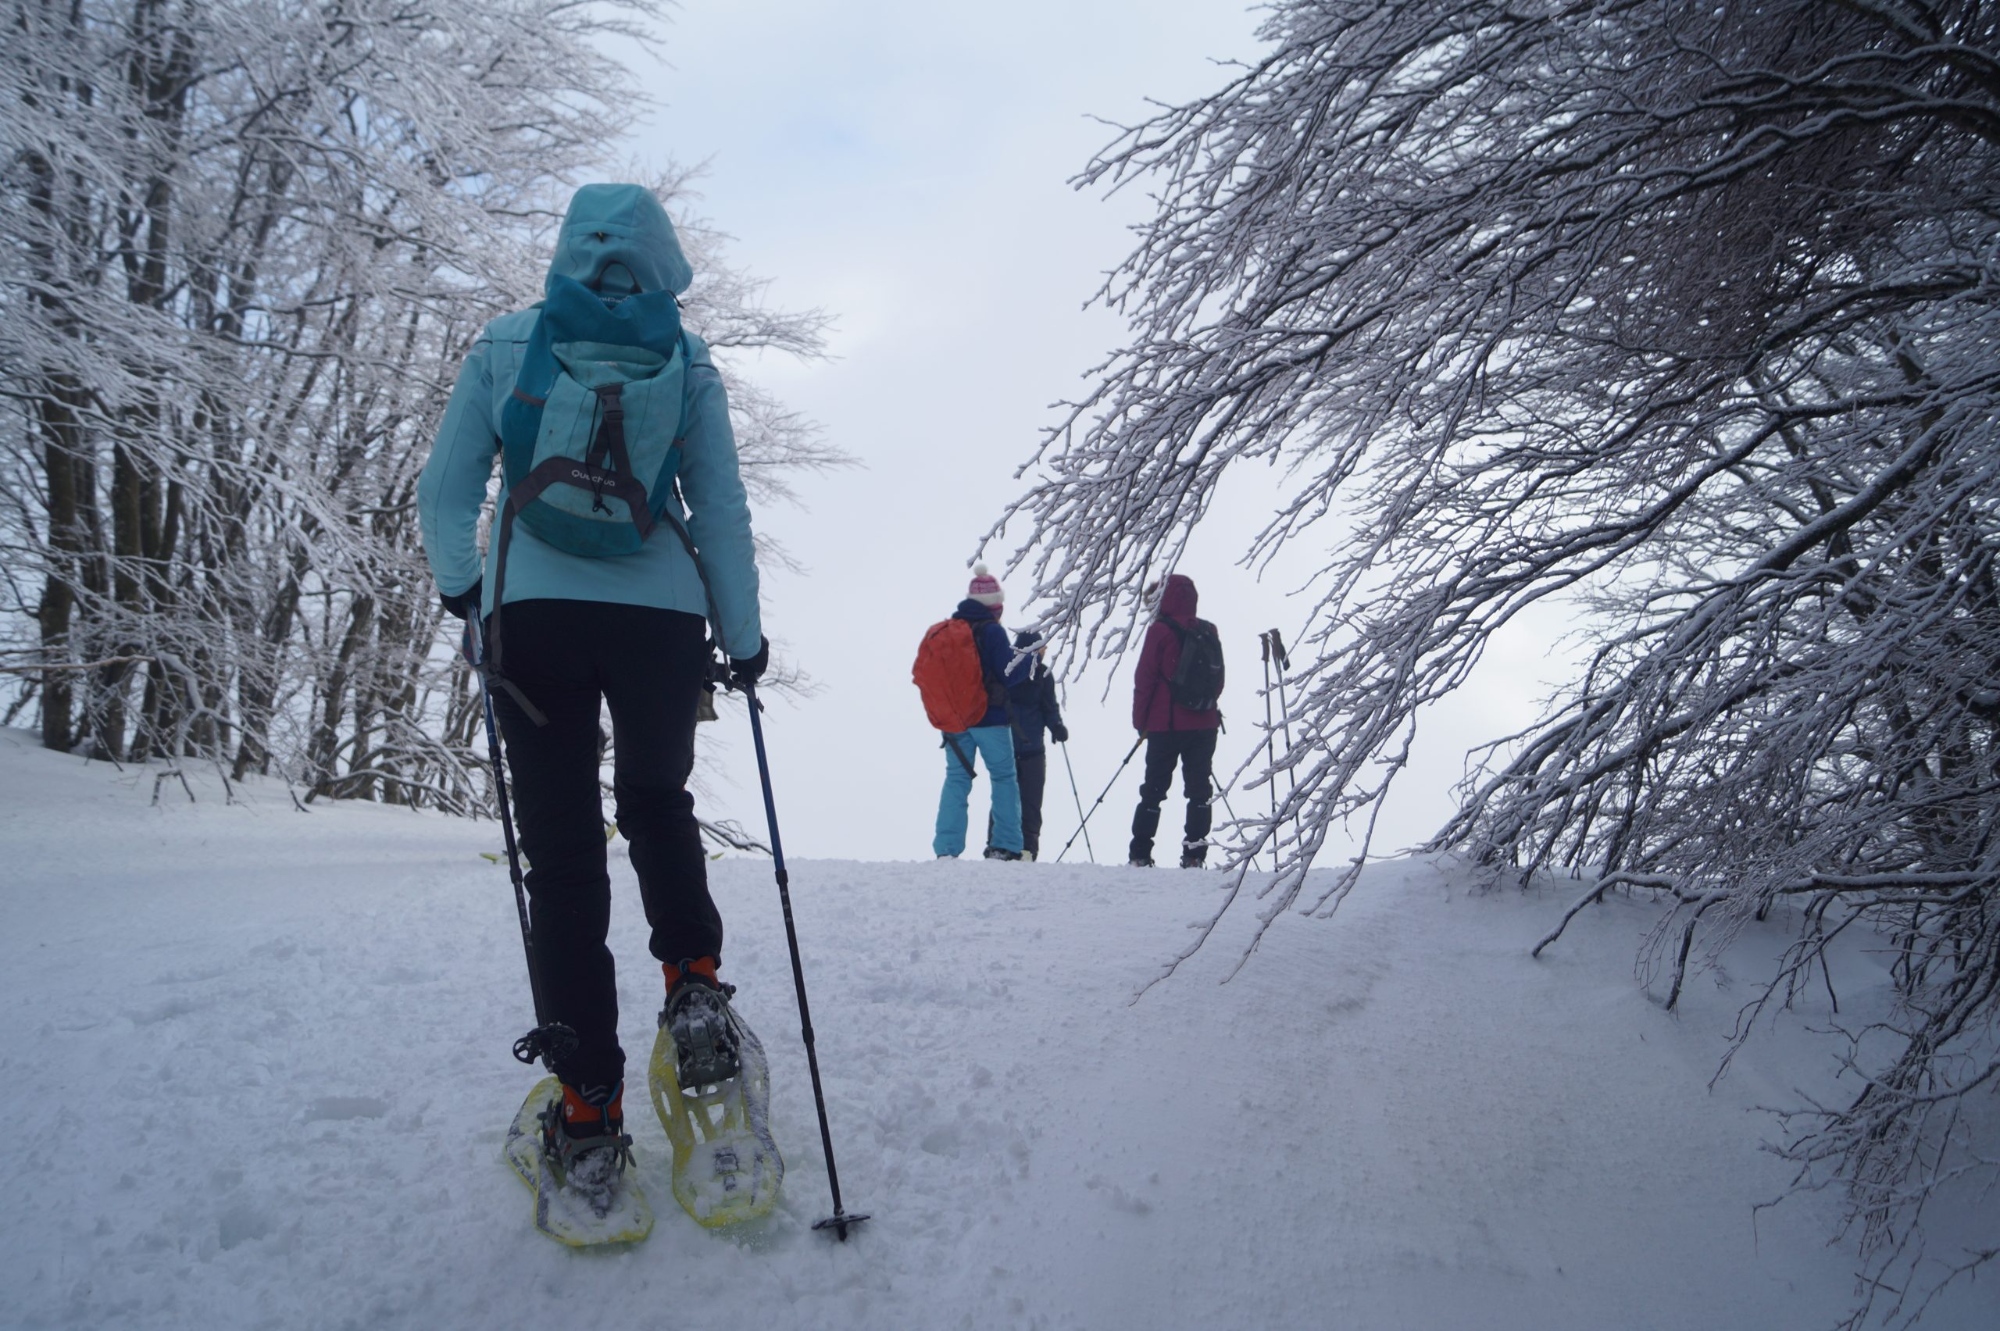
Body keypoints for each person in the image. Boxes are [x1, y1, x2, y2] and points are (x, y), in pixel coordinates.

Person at [417, 183, 768, 1197]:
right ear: (664, 264)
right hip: (661, 620)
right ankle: (693, 989)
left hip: (535, 616)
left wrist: (465, 588)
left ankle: (586, 1111)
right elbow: (725, 508)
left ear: (570, 254)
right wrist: (740, 640)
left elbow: (446, 489)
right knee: (658, 801)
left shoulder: (506, 340)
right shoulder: (688, 359)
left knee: (563, 853)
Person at [934, 565, 1030, 861]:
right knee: (1003, 778)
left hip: (955, 721)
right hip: (990, 720)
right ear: (996, 607)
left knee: (956, 780)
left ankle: (947, 849)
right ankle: (1006, 845)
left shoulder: (949, 631)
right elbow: (1008, 673)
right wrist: (1026, 661)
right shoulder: (993, 632)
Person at [1128, 574, 1221, 868]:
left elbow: (1144, 680)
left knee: (1153, 790)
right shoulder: (1209, 630)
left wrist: (1141, 722)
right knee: (1199, 790)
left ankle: (1140, 854)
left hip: (1165, 725)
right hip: (1204, 723)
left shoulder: (1159, 631)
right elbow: (1217, 680)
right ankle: (1194, 855)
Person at [1006, 629, 1067, 861]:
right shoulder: (1042, 675)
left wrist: (1056, 727)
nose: (1045, 650)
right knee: (1030, 802)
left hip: (1009, 749)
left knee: (1007, 800)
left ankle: (999, 845)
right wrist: (1057, 727)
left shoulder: (1008, 672)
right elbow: (1049, 708)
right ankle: (1026, 850)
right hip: (1031, 750)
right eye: (1042, 646)